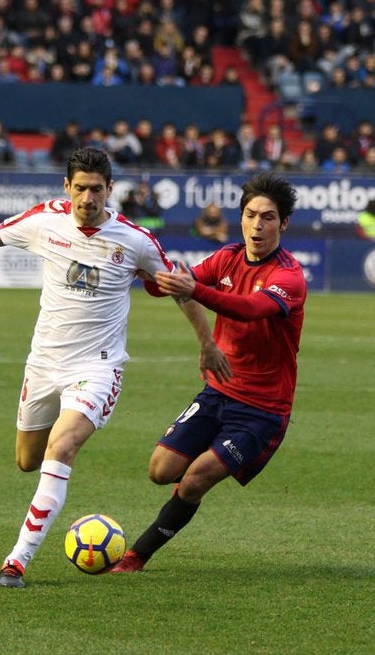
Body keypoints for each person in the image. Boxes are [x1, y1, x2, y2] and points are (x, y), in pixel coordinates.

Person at [0, 147, 230, 588]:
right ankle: (42, 503)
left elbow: (180, 288)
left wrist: (206, 343)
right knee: (27, 460)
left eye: (97, 189)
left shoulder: (134, 240)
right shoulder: (45, 221)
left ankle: (16, 561)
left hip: (97, 368)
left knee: (62, 447)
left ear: (109, 190)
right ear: (67, 187)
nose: (88, 198)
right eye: (80, 188)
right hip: (43, 364)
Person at [110, 173, 307, 574]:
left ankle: (136, 556)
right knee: (160, 471)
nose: (257, 225)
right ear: (240, 218)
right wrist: (156, 277)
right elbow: (168, 288)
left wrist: (191, 289)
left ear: (283, 224)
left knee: (197, 477)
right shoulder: (226, 257)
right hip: (217, 393)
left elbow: (250, 309)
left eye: (268, 217)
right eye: (251, 215)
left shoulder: (289, 276)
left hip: (262, 411)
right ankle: (188, 487)